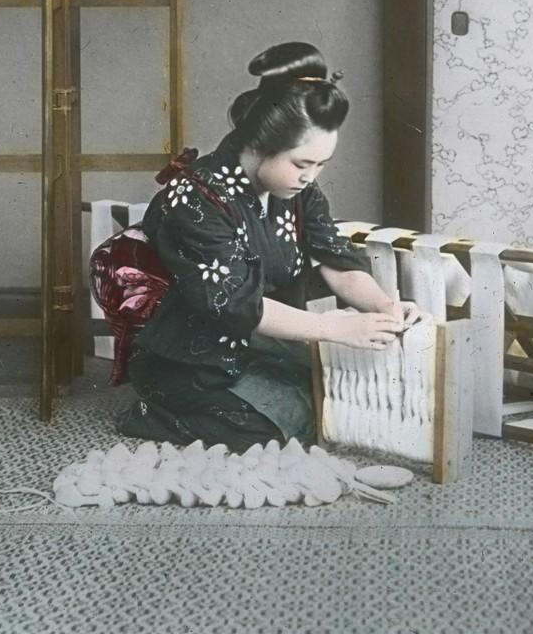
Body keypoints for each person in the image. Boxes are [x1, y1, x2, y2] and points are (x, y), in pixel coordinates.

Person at [115, 41, 420, 451]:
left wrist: (384, 307)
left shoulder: (297, 191)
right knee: (265, 435)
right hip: (192, 357)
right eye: (301, 163)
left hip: (261, 343)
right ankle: (158, 413)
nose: (310, 176)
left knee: (326, 400)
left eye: (321, 165)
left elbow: (337, 261)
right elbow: (236, 303)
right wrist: (333, 328)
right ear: (259, 145)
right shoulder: (195, 198)